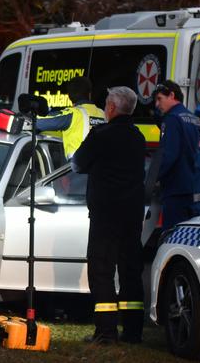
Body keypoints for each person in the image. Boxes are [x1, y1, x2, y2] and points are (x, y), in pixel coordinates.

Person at [72, 86, 145, 345]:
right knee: (130, 271)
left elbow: (77, 163)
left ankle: (106, 332)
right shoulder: (138, 137)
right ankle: (134, 331)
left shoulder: (101, 135)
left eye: (105, 104)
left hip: (106, 215)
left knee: (101, 271)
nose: (104, 108)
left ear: (112, 108)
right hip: (133, 215)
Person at [154, 80, 200, 230]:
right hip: (193, 186)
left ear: (172, 95)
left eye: (159, 99)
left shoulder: (172, 119)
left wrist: (154, 178)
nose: (157, 104)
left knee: (173, 235)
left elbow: (168, 155)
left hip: (175, 188)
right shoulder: (193, 118)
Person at [35, 76, 105, 159]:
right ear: (90, 94)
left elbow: (38, 122)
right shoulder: (103, 114)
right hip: (103, 168)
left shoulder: (74, 114)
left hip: (76, 169)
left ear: (69, 96)